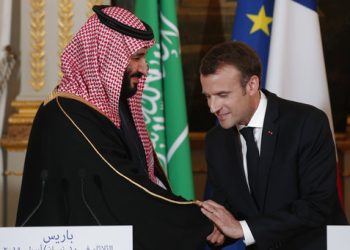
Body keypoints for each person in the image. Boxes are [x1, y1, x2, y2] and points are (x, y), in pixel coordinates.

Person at [16, 5, 211, 250]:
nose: (144, 68)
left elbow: (142, 177)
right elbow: (122, 186)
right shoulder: (67, 114)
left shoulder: (114, 106)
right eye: (137, 57)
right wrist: (199, 219)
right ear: (108, 55)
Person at [198, 41, 348, 250]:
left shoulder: (308, 122)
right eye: (208, 96)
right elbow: (231, 212)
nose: (213, 107)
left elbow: (317, 205)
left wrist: (243, 229)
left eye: (222, 95)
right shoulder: (216, 141)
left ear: (252, 85)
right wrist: (218, 229)